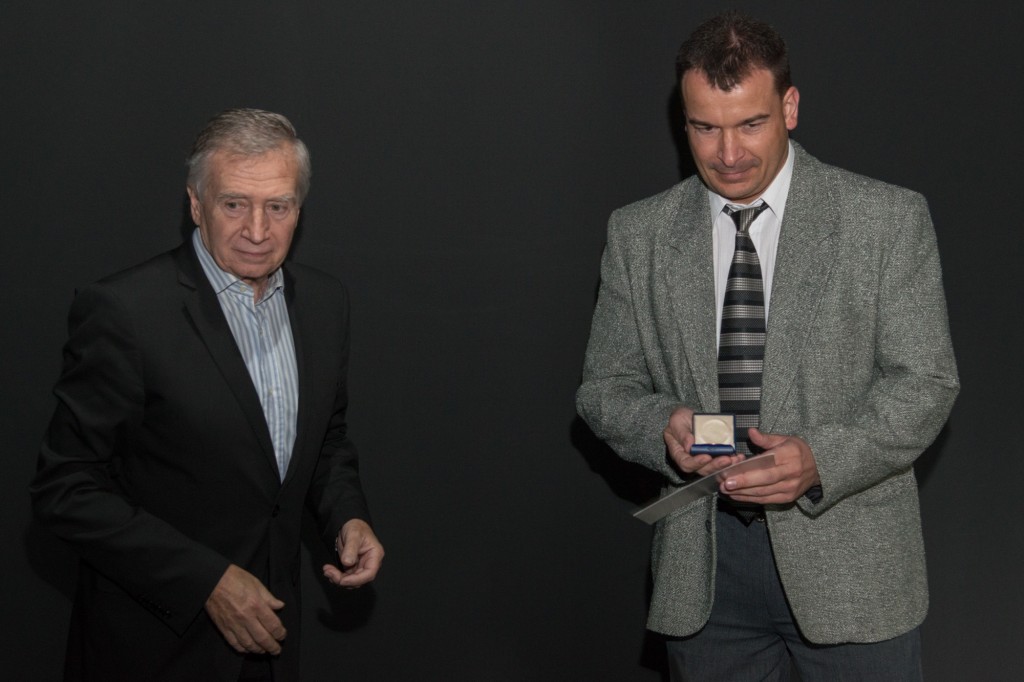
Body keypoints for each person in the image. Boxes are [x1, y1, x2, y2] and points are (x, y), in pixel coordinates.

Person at [576, 11, 958, 681]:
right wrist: (662, 425)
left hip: (853, 568)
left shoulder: (886, 220)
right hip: (705, 571)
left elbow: (925, 383)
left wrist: (820, 460)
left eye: (750, 124)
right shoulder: (639, 235)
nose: (728, 154)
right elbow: (605, 390)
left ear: (790, 107)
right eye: (705, 127)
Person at [30, 108, 384, 682]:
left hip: (273, 641)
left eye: (278, 207)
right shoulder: (125, 312)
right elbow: (64, 489)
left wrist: (347, 517)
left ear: (299, 209)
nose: (257, 231)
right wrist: (206, 582)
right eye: (234, 204)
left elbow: (324, 440)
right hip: (153, 649)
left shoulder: (325, 303)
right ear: (196, 205)